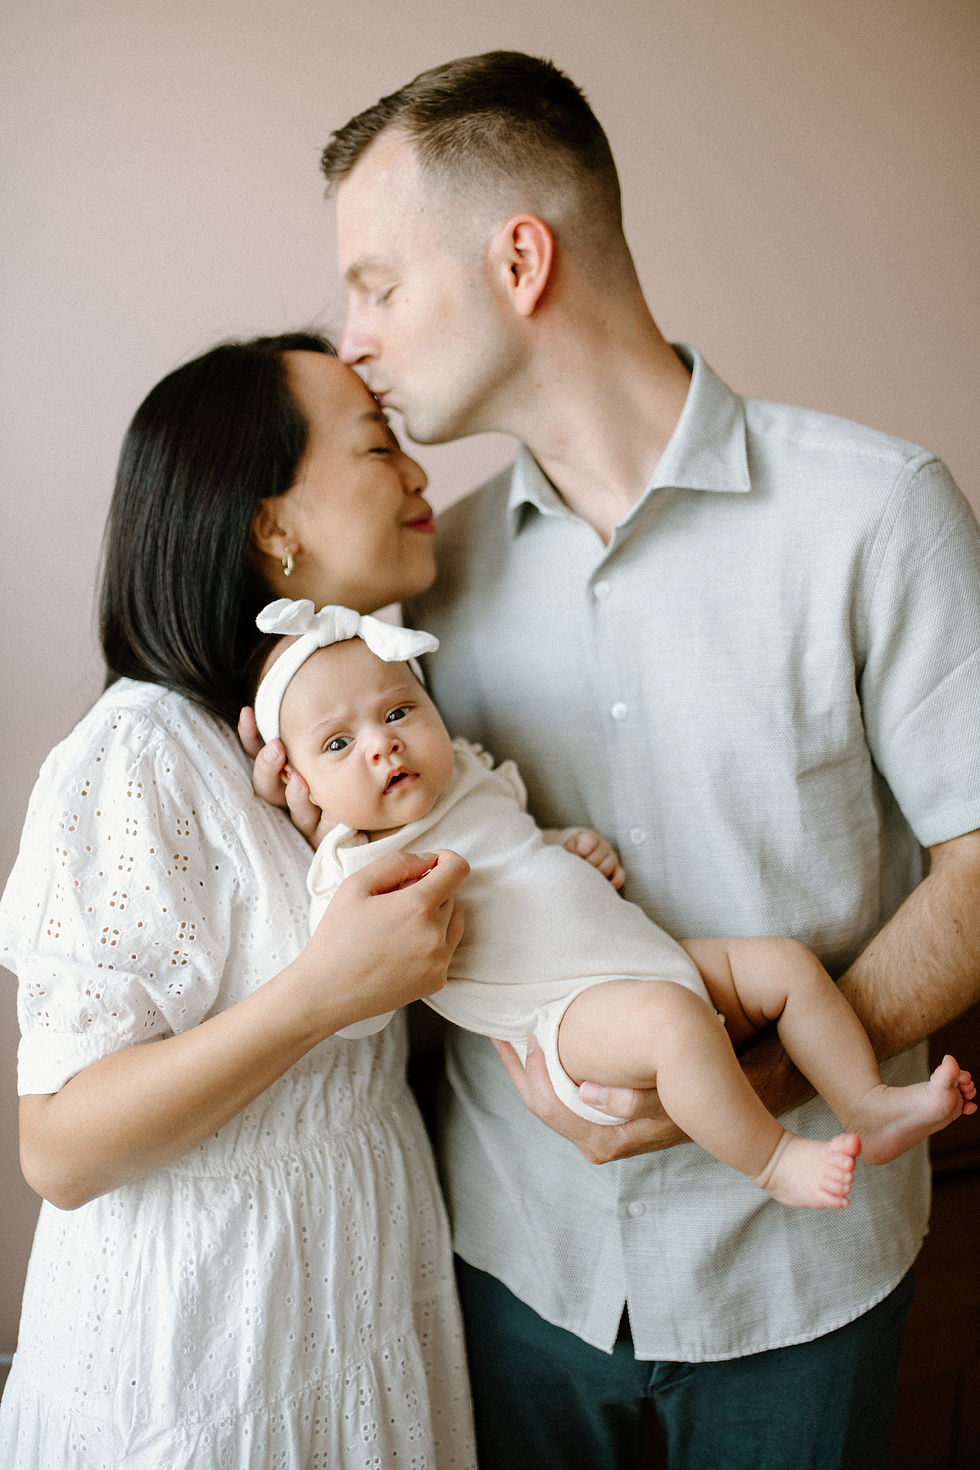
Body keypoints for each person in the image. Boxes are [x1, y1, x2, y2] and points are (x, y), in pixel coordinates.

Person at [246, 50, 980, 1470]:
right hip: (510, 1270)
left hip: (802, 1278)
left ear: (519, 259)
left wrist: (745, 1092)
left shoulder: (879, 513)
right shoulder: (409, 603)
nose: (357, 342)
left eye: (379, 284)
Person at [0, 334, 477, 1468]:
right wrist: (316, 994)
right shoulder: (136, 756)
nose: (420, 477)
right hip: (201, 1353)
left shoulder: (352, 732)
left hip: (351, 1306)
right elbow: (59, 1150)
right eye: (378, 446)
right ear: (272, 529)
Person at [250, 598, 974, 1213]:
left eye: (400, 710)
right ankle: (773, 1161)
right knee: (671, 1022)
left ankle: (868, 1106)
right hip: (570, 1020)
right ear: (303, 783)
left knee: (784, 966)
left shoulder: (467, 777)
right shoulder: (356, 870)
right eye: (339, 743)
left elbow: (520, 850)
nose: (383, 744)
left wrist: (571, 847)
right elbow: (358, 998)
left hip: (646, 958)